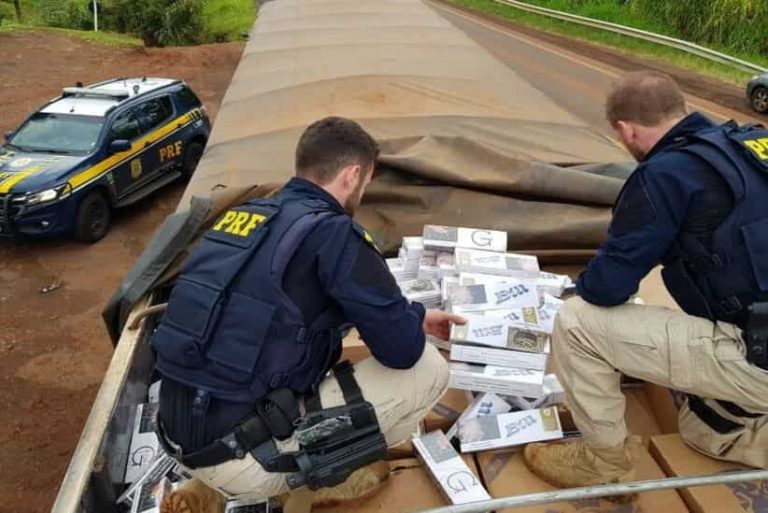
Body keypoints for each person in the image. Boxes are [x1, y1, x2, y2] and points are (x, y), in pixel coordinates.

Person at [151, 116, 464, 511]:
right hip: (245, 454)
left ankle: (208, 485)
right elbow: (401, 350)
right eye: (366, 183)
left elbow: (268, 310)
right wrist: (407, 325)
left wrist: (414, 314)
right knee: (427, 369)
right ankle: (318, 483)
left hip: (178, 432)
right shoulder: (335, 232)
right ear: (352, 175)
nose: (362, 192)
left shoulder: (248, 217)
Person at [524, 71, 768, 489]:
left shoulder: (667, 173)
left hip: (759, 352)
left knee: (577, 322)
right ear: (682, 109)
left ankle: (603, 464)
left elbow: (607, 287)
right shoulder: (751, 144)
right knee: (702, 426)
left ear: (626, 130)